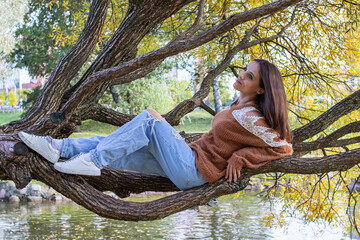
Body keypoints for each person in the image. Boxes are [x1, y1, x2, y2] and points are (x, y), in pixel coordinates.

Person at [19, 59, 293, 191]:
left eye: (250, 75)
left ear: (261, 89)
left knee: (150, 117)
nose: (242, 75)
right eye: (244, 70)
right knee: (124, 146)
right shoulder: (239, 106)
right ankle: (59, 148)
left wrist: (241, 157)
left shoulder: (252, 117)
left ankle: (94, 160)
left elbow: (284, 148)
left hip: (193, 170)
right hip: (188, 159)